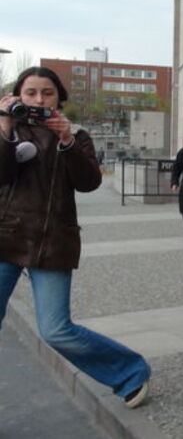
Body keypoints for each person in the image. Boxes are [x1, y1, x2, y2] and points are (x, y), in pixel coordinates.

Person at [0, 66, 151, 409]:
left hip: (52, 240)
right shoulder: (7, 128)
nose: (39, 100)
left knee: (55, 330)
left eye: (47, 93)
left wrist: (66, 140)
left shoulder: (76, 134)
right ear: (17, 97)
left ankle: (129, 371)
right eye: (31, 93)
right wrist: (5, 126)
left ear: (59, 98)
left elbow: (88, 183)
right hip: (4, 237)